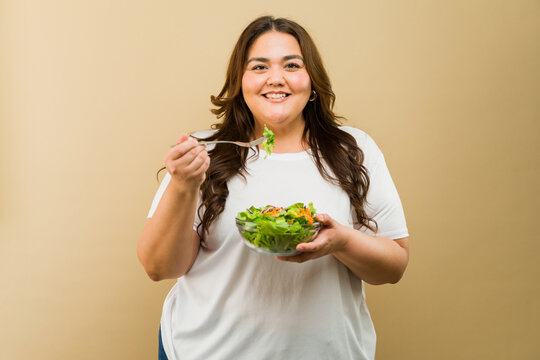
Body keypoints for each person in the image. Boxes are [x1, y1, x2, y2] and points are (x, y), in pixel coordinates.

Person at [137, 15, 409, 360]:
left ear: (312, 81)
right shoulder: (204, 153)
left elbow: (394, 266)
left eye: (292, 65)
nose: (276, 79)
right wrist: (183, 185)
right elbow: (159, 267)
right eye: (259, 67)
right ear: (241, 82)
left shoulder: (354, 150)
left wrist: (342, 240)